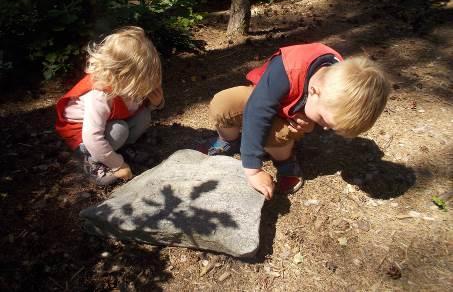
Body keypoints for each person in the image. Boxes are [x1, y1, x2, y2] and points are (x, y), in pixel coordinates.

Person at [202, 43, 390, 200]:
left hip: (288, 115)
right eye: (324, 121)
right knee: (223, 104)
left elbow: (323, 114)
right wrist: (252, 169)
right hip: (260, 96)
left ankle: (285, 161)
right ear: (314, 91)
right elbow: (257, 110)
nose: (325, 127)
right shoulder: (289, 68)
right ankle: (229, 140)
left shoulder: (336, 85)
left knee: (278, 134)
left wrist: (312, 124)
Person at [55, 26, 164, 186]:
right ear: (122, 75)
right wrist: (118, 165)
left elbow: (135, 107)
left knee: (143, 116)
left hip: (109, 120)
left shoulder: (125, 85)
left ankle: (118, 151)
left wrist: (157, 103)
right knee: (119, 130)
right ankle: (92, 161)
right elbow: (92, 137)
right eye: (142, 80)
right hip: (81, 132)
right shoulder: (99, 95)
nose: (144, 85)